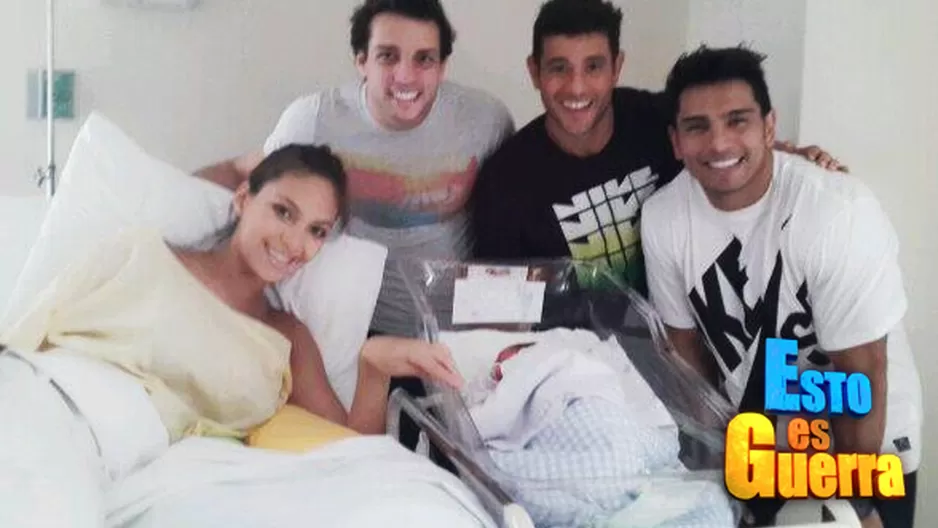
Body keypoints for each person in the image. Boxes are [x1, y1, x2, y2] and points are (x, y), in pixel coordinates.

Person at [0, 144, 464, 527]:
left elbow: (352, 456)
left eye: (316, 231)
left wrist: (373, 367)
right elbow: (27, 335)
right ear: (243, 199)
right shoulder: (142, 254)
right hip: (46, 400)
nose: (294, 243)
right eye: (283, 211)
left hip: (145, 466)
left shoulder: (286, 338)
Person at [640, 45, 921, 528]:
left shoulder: (836, 213)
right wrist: (717, 468)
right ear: (676, 141)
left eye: (737, 121)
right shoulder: (663, 216)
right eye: (697, 127)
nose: (719, 143)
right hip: (761, 438)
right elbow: (687, 354)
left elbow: (862, 376)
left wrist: (856, 505)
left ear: (769, 127)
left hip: (867, 441)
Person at [470, 0, 844, 297]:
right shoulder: (505, 180)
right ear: (534, 71)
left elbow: (726, 146)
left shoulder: (657, 118)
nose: (577, 87)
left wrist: (786, 156)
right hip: (572, 357)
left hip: (696, 327)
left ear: (617, 67)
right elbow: (499, 311)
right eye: (558, 68)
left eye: (594, 67)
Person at [194, 0, 515, 339]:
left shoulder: (484, 120)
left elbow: (511, 210)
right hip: (354, 326)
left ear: (443, 66)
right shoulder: (315, 119)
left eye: (424, 59)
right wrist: (165, 217)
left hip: (460, 327)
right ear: (361, 61)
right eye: (387, 56)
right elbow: (241, 172)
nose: (406, 76)